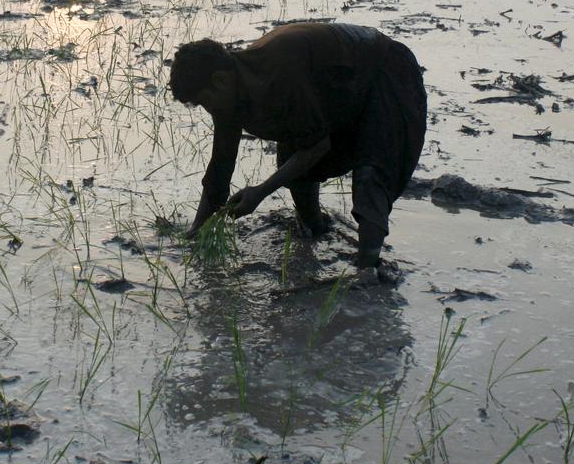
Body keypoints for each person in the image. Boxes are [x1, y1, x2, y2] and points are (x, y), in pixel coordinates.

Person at [171, 22, 427, 275]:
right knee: (294, 164)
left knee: (371, 174)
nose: (208, 109)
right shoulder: (228, 96)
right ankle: (316, 231)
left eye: (204, 101)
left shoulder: (280, 69)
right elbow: (220, 169)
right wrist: (196, 232)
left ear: (220, 79)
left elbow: (317, 146)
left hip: (385, 70)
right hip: (338, 91)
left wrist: (261, 192)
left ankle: (366, 273)